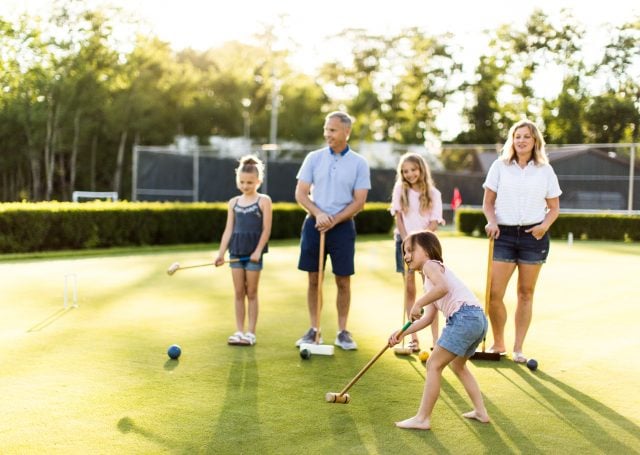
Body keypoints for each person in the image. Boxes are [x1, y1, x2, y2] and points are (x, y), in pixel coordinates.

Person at [388, 231, 490, 430]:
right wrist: (402, 332)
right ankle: (481, 411)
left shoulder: (430, 266)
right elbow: (427, 318)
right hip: (477, 319)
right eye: (404, 252)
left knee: (433, 364)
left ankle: (422, 418)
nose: (406, 256)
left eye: (410, 250)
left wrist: (418, 302)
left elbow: (443, 288)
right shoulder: (430, 283)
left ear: (426, 251)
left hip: (464, 317)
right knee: (458, 366)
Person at [482, 119, 561, 363]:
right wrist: (492, 221)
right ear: (512, 140)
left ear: (535, 140)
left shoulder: (545, 170)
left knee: (525, 293)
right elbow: (488, 203)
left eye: (527, 136)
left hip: (533, 237)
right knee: (494, 294)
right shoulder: (499, 166)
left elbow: (554, 208)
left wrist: (543, 227)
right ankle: (498, 343)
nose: (522, 140)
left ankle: (518, 348)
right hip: (503, 235)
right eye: (518, 136)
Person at [294, 111, 371, 350]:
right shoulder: (313, 158)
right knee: (314, 279)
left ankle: (342, 331)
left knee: (343, 281)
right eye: (326, 129)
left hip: (342, 227)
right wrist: (319, 214)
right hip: (314, 224)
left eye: (333, 130)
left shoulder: (359, 163)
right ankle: (314, 329)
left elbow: (359, 201)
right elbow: (301, 193)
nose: (328, 134)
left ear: (346, 131)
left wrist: (334, 219)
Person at [215, 155, 272, 346]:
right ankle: (239, 331)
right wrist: (221, 253)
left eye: (249, 182)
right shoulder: (233, 202)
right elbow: (228, 230)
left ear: (258, 181)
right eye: (242, 182)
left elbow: (266, 229)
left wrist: (258, 251)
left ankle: (251, 333)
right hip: (236, 252)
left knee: (252, 292)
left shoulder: (264, 201)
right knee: (239, 292)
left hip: (253, 254)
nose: (245, 186)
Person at [390, 152, 444, 352]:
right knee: (409, 288)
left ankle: (437, 340)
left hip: (426, 246)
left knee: (430, 291)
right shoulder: (399, 189)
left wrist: (420, 244)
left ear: (421, 169)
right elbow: (399, 218)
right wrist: (408, 244)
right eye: (405, 171)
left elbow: (434, 222)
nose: (410, 174)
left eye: (413, 170)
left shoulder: (433, 193)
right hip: (403, 243)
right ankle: (412, 338)